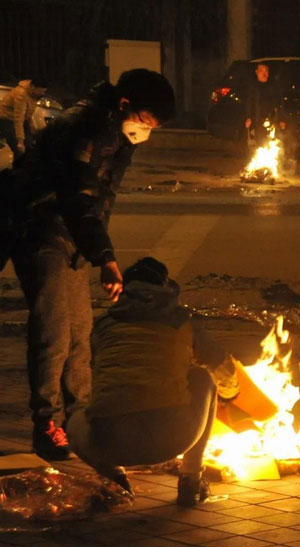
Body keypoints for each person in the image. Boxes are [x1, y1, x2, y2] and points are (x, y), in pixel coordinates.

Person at [3, 69, 175, 461]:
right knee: (54, 334)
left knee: (80, 335)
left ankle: (79, 420)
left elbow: (97, 199)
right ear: (125, 104)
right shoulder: (85, 127)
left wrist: (95, 250)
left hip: (73, 236)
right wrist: (106, 259)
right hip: (42, 228)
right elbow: (76, 199)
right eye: (147, 122)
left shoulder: (112, 128)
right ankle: (48, 424)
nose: (148, 131)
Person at [67, 258, 239, 505]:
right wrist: (230, 394)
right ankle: (191, 480)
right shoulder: (181, 322)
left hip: (108, 443)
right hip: (171, 440)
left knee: (76, 415)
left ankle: (115, 478)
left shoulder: (104, 325)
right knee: (202, 377)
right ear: (166, 290)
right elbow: (220, 364)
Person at [0, 78, 48, 167]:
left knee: (29, 145)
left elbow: (28, 112)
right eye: (41, 91)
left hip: (19, 118)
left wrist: (31, 125)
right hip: (7, 118)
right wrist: (20, 141)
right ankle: (16, 171)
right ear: (33, 87)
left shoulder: (33, 95)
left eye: (44, 91)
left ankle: (26, 168)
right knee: (19, 149)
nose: (42, 94)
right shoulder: (21, 95)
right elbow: (18, 118)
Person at [242, 63, 279, 150]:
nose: (264, 74)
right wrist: (248, 117)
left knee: (272, 142)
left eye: (266, 71)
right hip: (258, 120)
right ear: (256, 72)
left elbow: (278, 103)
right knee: (260, 143)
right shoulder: (253, 87)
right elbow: (249, 103)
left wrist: (281, 119)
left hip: (272, 120)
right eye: (262, 71)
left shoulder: (272, 87)